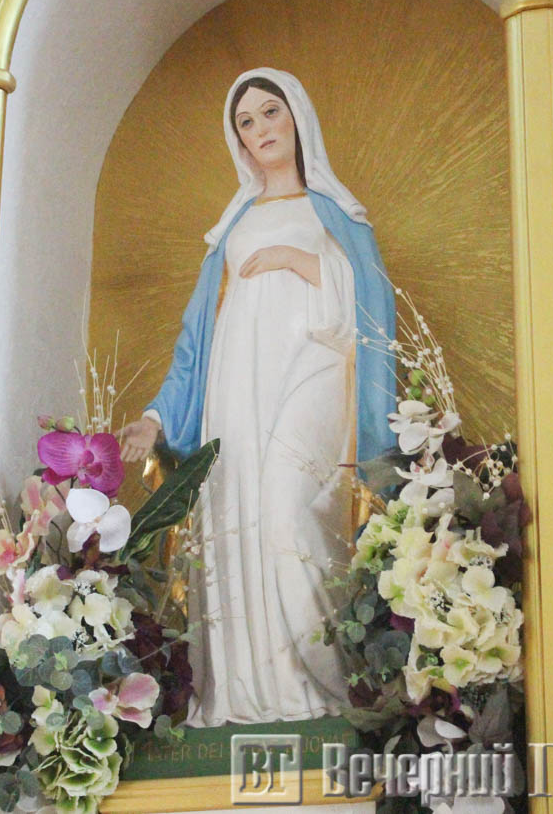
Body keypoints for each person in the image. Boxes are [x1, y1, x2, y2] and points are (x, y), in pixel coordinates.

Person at [116, 68, 395, 727]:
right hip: (236, 392)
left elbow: (374, 304)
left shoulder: (337, 213)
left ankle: (332, 685)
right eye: (246, 121)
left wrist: (297, 260)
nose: (261, 128)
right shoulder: (231, 226)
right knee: (237, 515)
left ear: (297, 117)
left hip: (314, 374)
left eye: (272, 112)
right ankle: (252, 693)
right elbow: (197, 338)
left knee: (289, 510)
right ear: (236, 140)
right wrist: (156, 417)